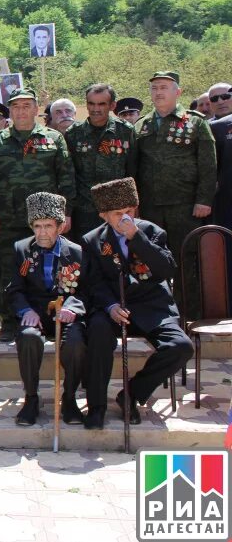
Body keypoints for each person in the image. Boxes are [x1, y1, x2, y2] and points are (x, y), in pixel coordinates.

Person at [81, 177, 194, 429]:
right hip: (113, 307)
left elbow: (166, 270)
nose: (125, 218)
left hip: (151, 306)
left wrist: (136, 237)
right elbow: (93, 283)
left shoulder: (152, 232)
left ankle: (132, 393)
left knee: (181, 346)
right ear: (104, 216)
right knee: (97, 332)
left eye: (129, 211)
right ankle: (96, 405)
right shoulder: (92, 241)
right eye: (118, 213)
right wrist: (110, 306)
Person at [0, 88, 75, 343]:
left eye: (27, 106)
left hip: (46, 221)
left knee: (51, 270)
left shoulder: (53, 138)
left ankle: (51, 318)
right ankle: (10, 322)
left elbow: (66, 179)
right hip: (11, 218)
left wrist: (66, 214)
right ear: (10, 111)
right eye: (16, 107)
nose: (21, 111)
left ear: (36, 109)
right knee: (9, 271)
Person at [132, 71, 215, 324]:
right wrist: (134, 206)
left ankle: (189, 318)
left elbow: (208, 165)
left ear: (177, 91)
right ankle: (155, 319)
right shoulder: (141, 125)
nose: (158, 92)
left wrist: (204, 200)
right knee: (148, 263)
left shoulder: (195, 123)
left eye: (164, 87)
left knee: (185, 262)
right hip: (150, 208)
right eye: (155, 87)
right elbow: (132, 169)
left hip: (186, 207)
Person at [6, 192, 88, 426]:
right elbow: (14, 289)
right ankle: (31, 397)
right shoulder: (21, 249)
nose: (42, 232)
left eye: (48, 226)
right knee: (28, 338)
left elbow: (85, 291)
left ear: (60, 226)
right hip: (36, 314)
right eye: (37, 226)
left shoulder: (77, 253)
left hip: (67, 313)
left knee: (75, 342)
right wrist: (26, 311)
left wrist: (72, 307)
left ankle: (70, 397)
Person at [63, 84, 137, 241]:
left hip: (117, 210)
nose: (95, 108)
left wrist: (134, 208)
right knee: (86, 258)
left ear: (112, 106)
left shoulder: (125, 131)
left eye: (101, 104)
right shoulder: (73, 134)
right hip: (84, 211)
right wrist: (68, 210)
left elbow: (133, 171)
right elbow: (69, 175)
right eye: (91, 103)